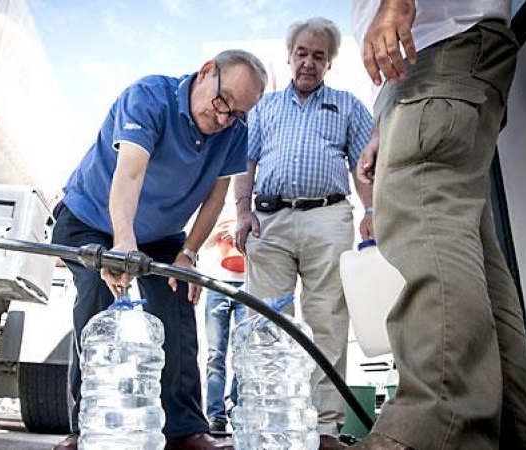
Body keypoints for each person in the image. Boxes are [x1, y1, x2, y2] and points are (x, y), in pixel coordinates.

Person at [348, 1, 526, 449]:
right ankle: (517, 435)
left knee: (424, 226)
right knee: (471, 257)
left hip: (439, 48)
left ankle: (436, 426)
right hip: (443, 60)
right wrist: (385, 120)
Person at [50, 49, 267, 450]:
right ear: (206, 73)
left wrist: (188, 254)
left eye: (236, 113)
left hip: (160, 233)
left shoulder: (235, 131)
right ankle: (86, 428)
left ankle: (185, 430)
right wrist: (123, 243)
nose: (224, 119)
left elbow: (215, 199)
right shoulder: (148, 97)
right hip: (91, 220)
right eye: (222, 103)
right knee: (98, 298)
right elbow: (129, 173)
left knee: (177, 298)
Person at [233, 17, 374, 450]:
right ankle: (265, 424)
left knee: (327, 321)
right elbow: (244, 163)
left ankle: (324, 429)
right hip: (269, 222)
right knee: (265, 323)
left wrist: (372, 209)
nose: (309, 63)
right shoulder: (264, 107)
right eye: (302, 53)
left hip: (327, 218)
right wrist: (242, 212)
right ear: (290, 55)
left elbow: (364, 165)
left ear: (329, 62)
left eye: (318, 56)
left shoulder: (348, 106)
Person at [200, 215, 248, 433]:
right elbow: (203, 243)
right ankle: (215, 415)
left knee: (244, 354)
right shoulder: (216, 208)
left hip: (246, 286)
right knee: (215, 354)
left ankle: (238, 410)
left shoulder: (252, 207)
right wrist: (221, 230)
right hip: (216, 286)